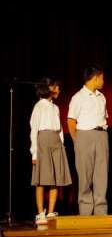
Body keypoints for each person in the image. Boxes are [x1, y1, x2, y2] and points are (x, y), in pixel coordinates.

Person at [67, 65, 108, 215]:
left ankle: (100, 211)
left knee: (101, 174)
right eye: (102, 78)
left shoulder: (102, 97)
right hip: (84, 136)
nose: (103, 81)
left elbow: (104, 117)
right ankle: (85, 210)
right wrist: (76, 141)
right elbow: (71, 120)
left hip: (101, 135)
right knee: (85, 175)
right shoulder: (78, 97)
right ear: (95, 78)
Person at [30, 78, 71, 225]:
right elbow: (34, 130)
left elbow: (60, 129)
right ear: (49, 88)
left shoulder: (55, 108)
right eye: (56, 87)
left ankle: (51, 211)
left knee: (55, 179)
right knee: (41, 180)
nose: (58, 90)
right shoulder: (39, 106)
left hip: (56, 142)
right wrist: (34, 152)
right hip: (43, 141)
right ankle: (40, 212)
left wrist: (62, 145)